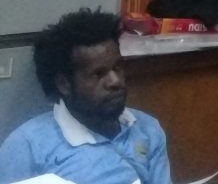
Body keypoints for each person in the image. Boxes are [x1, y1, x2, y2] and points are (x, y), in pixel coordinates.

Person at [0, 9, 172, 184]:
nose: (115, 81)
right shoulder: (27, 147)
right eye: (98, 74)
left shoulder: (146, 129)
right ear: (64, 84)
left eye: (117, 67)